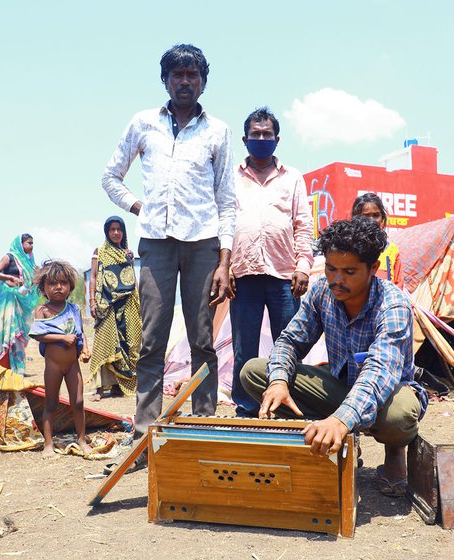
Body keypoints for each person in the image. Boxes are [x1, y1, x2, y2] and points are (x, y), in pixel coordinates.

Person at [101, 44, 236, 472]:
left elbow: (227, 200)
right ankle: (145, 433)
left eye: (192, 75)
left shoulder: (218, 131)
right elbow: (110, 175)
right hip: (156, 242)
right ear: (165, 80)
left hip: (203, 244)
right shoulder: (143, 123)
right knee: (152, 338)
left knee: (202, 339)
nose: (184, 82)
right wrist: (139, 208)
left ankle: (203, 426)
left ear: (203, 82)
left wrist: (225, 260)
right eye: (177, 75)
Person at [240, 218, 428, 497]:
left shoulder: (393, 304)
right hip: (340, 386)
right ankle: (338, 439)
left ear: (373, 269)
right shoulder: (321, 292)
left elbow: (379, 372)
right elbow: (291, 341)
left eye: (349, 271)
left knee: (399, 416)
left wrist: (341, 420)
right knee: (254, 372)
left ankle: (393, 450)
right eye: (331, 269)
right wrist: (278, 381)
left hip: (387, 393)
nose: (337, 279)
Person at [229, 107, 313, 417]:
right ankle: (246, 407)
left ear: (277, 139)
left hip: (284, 276)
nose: (261, 138)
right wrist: (223, 270)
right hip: (243, 275)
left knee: (289, 344)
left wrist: (303, 266)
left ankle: (292, 406)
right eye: (256, 134)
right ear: (245, 139)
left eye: (267, 134)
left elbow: (303, 224)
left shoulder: (292, 178)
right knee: (243, 349)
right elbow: (223, 224)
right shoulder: (231, 177)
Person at [28, 260, 92, 458]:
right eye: (52, 284)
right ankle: (48, 443)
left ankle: (81, 439)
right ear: (44, 288)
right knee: (51, 403)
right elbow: (38, 334)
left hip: (72, 365)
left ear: (70, 286)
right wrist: (61, 337)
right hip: (53, 366)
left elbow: (80, 333)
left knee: (79, 401)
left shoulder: (73, 309)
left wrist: (85, 350)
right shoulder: (43, 310)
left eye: (63, 283)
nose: (58, 287)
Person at [88, 216, 141, 400]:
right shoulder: (100, 251)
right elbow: (94, 276)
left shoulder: (127, 253)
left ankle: (120, 385)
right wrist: (92, 300)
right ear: (107, 232)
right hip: (106, 304)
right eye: (112, 230)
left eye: (119, 229)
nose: (116, 233)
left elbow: (131, 278)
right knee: (105, 343)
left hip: (127, 304)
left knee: (128, 343)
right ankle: (100, 388)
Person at [0, 233, 39, 375]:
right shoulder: (9, 257)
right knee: (10, 331)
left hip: (21, 300)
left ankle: (18, 367)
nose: (31, 246)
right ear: (20, 244)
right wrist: (10, 277)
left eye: (32, 243)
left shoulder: (29, 261)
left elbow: (31, 280)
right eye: (29, 243)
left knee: (19, 333)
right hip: (9, 299)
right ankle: (3, 365)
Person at [351, 193, 405, 289]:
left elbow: (398, 286)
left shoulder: (391, 250)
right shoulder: (349, 247)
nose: (372, 220)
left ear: (382, 218)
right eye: (366, 216)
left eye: (376, 215)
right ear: (356, 218)